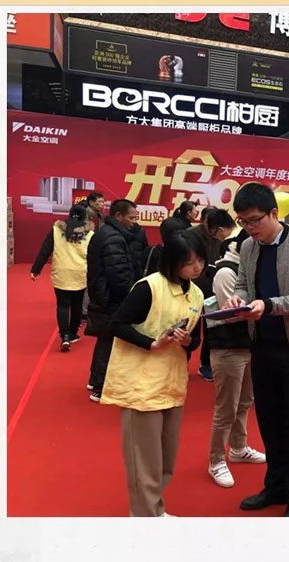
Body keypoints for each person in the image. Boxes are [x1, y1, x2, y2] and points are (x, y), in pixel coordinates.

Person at [225, 183, 289, 517]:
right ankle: (276, 486)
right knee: (268, 420)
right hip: (262, 343)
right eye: (243, 222)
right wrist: (238, 299)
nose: (250, 228)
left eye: (255, 220)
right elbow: (242, 284)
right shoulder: (248, 246)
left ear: (274, 213)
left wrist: (268, 305)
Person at [100, 232, 205, 517]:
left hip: (172, 382)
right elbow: (116, 324)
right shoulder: (149, 287)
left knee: (165, 457)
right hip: (141, 385)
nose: (196, 267)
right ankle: (144, 516)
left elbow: (195, 340)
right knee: (144, 459)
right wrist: (152, 343)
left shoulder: (196, 293)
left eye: (199, 259)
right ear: (172, 262)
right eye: (189, 262)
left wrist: (187, 341)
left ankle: (154, 509)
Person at [206, 229, 266, 488]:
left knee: (244, 401)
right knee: (226, 408)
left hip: (249, 345)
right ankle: (216, 459)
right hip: (228, 347)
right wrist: (263, 308)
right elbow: (233, 313)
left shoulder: (248, 268)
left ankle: (239, 448)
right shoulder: (226, 271)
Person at [86, 199, 140, 403]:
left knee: (105, 339)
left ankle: (96, 380)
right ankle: (101, 386)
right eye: (131, 218)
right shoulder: (113, 238)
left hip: (103, 295)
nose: (134, 222)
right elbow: (118, 275)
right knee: (110, 341)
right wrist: (129, 297)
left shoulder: (107, 233)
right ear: (118, 215)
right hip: (111, 298)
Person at [30, 204, 94, 351]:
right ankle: (73, 333)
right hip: (80, 272)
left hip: (61, 272)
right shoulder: (90, 234)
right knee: (77, 304)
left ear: (69, 215)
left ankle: (64, 335)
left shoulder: (56, 230)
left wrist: (36, 269)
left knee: (63, 305)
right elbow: (93, 256)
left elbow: (45, 250)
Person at [184, 208, 236, 382]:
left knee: (211, 327)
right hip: (193, 287)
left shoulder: (231, 239)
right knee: (188, 327)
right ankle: (181, 362)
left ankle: (206, 364)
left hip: (212, 288)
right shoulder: (190, 235)